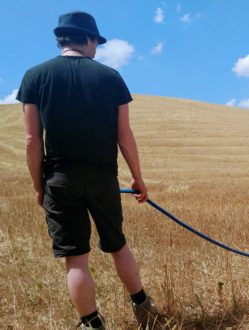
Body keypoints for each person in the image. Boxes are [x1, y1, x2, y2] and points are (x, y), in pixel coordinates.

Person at [17, 11, 164, 329]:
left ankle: (91, 323)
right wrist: (138, 179)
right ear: (86, 39)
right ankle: (142, 305)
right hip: (103, 178)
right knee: (117, 243)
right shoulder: (110, 77)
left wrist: (38, 186)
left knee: (76, 257)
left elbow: (31, 140)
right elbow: (124, 135)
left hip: (59, 179)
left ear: (62, 39)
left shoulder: (34, 76)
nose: (97, 48)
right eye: (96, 41)